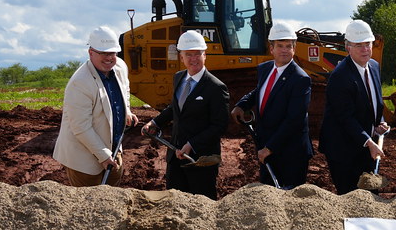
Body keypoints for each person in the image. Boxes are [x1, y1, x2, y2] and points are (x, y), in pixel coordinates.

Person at [142, 30, 229, 199]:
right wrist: (155, 122)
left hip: (201, 160)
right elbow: (175, 108)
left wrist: (192, 144)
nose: (193, 59)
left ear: (205, 55)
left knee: (201, 207)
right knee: (175, 204)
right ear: (181, 57)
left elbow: (219, 125)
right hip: (175, 156)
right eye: (188, 54)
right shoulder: (178, 78)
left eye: (197, 54)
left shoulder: (216, 87)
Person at [53, 26, 139, 186]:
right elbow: (81, 127)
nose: (109, 58)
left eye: (112, 53)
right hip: (83, 158)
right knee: (87, 205)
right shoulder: (80, 82)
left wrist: (127, 110)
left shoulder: (119, 66)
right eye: (103, 53)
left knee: (111, 200)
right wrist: (104, 155)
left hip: (113, 149)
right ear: (91, 52)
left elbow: (125, 89)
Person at [231, 21, 312, 188]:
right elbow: (261, 91)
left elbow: (294, 121)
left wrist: (269, 148)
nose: (284, 50)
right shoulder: (266, 69)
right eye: (280, 45)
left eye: (288, 46)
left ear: (294, 49)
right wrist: (242, 104)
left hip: (290, 153)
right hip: (267, 148)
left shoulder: (300, 79)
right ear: (271, 49)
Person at [317, 19, 390, 194]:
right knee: (351, 197)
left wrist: (379, 121)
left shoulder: (373, 66)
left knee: (370, 195)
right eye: (359, 45)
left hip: (365, 145)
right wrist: (369, 142)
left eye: (368, 44)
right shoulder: (340, 77)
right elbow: (345, 117)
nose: (365, 49)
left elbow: (374, 102)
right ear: (348, 47)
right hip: (343, 149)